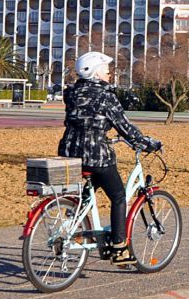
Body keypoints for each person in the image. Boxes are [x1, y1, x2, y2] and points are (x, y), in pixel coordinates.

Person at [57, 51, 161, 263]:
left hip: (69, 152)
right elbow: (124, 127)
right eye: (106, 70)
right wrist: (145, 142)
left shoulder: (72, 93)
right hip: (96, 155)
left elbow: (84, 120)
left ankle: (74, 230)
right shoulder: (105, 96)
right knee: (118, 195)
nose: (109, 74)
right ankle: (120, 247)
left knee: (86, 195)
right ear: (96, 73)